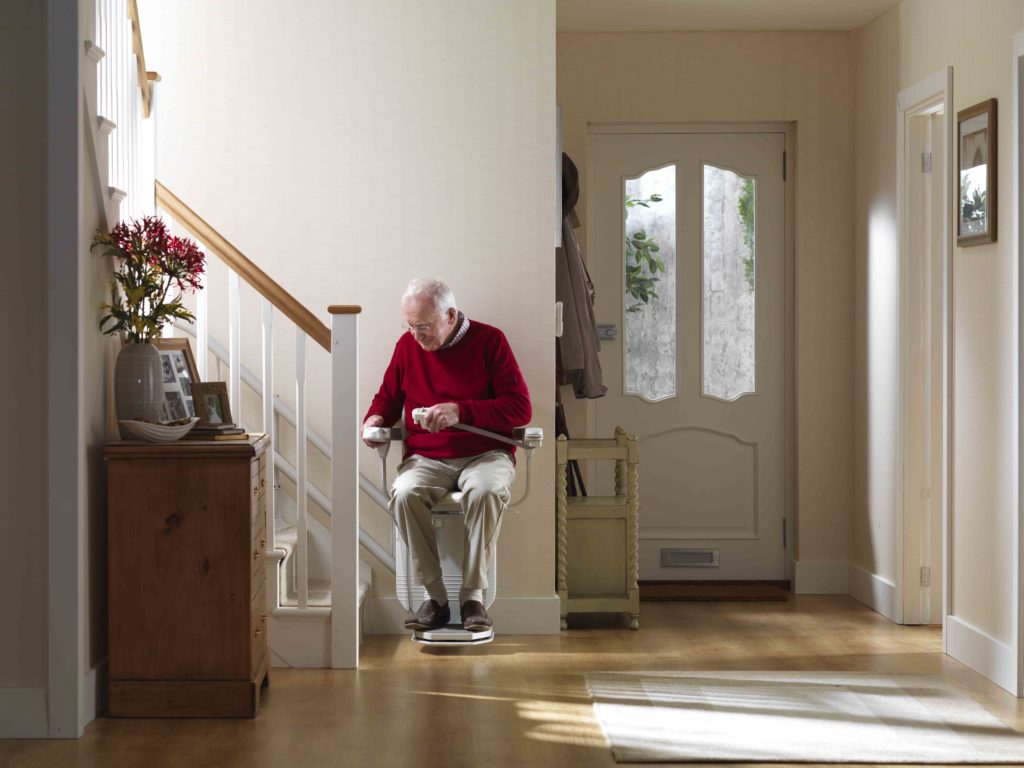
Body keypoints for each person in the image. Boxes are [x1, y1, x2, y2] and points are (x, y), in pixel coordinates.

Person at [363, 277, 532, 632]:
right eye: (410, 326)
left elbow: (520, 408)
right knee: (405, 493)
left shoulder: (490, 341)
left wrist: (461, 411)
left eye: (423, 326)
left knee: (484, 491)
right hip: (426, 458)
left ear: (450, 315)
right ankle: (436, 596)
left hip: (486, 454)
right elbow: (388, 397)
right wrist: (375, 419)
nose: (416, 335)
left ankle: (473, 597)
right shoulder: (407, 347)